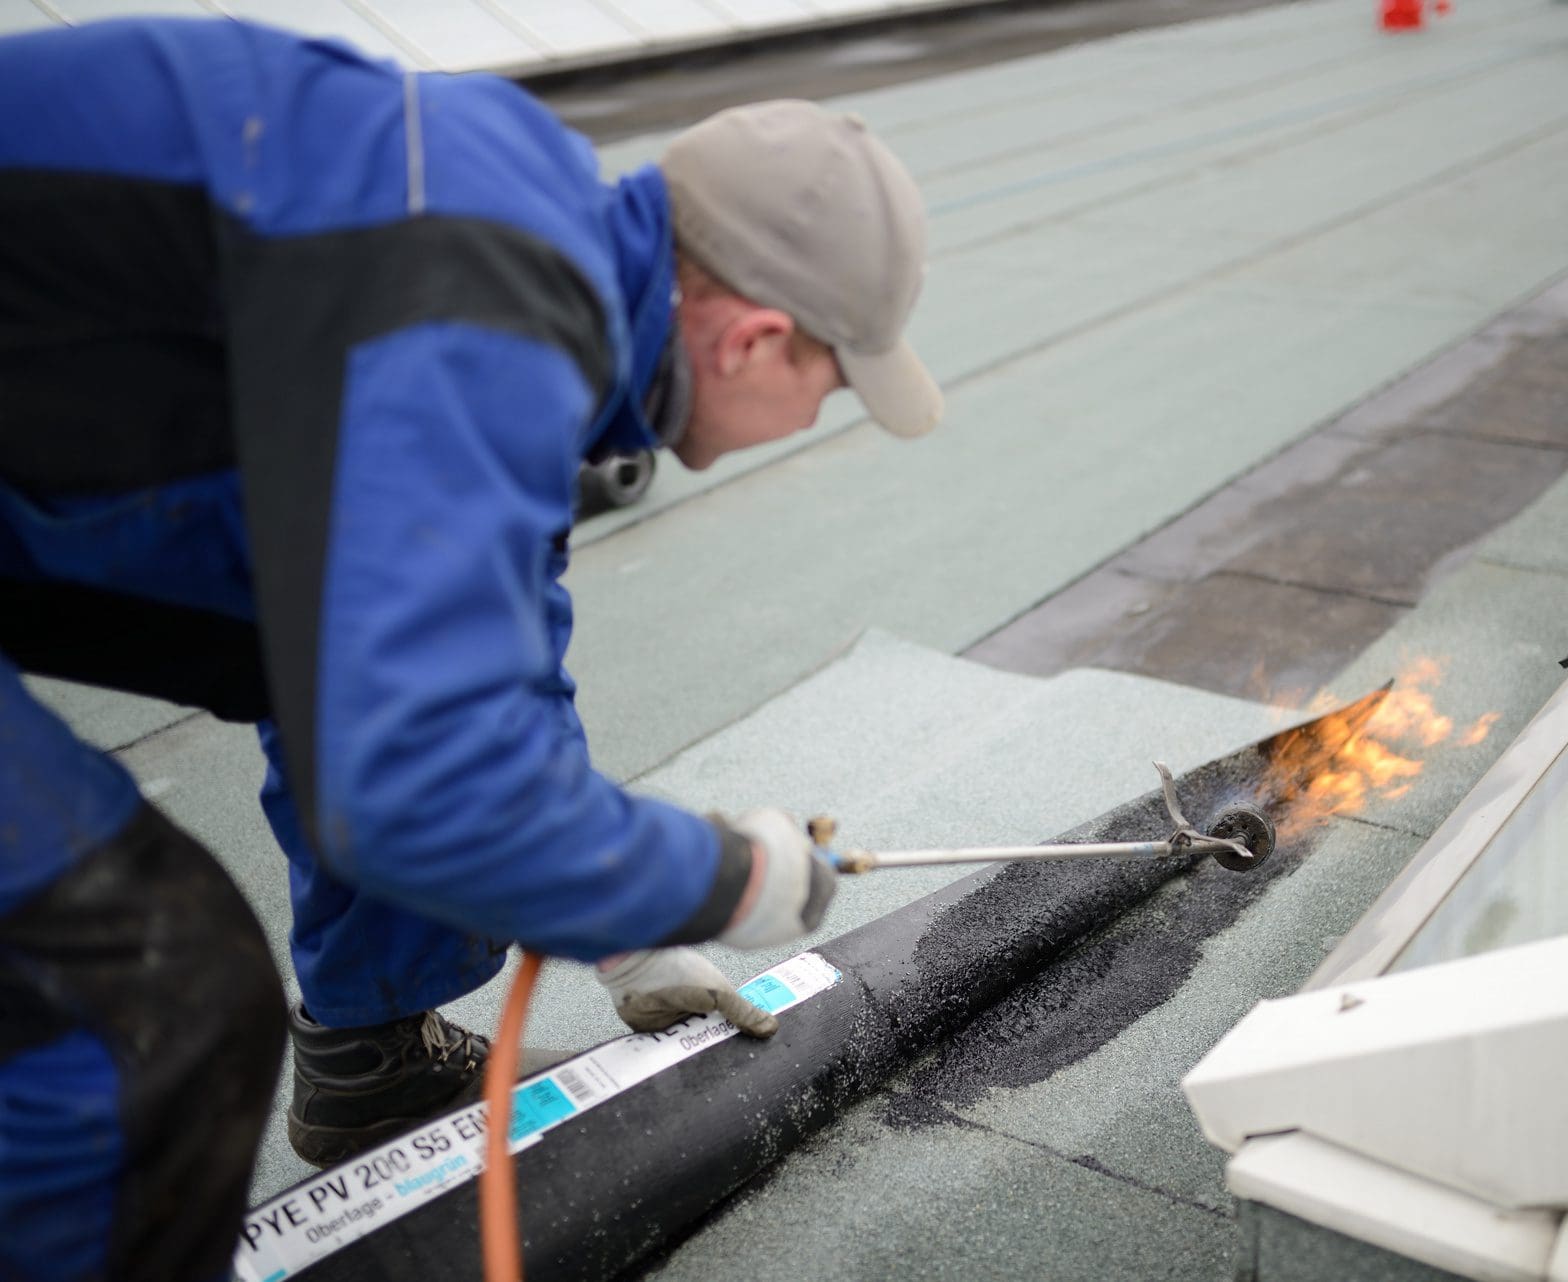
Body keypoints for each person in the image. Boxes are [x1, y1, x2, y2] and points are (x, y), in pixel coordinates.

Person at [0, 15, 941, 1281]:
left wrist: (614, 921)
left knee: (342, 666)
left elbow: (475, 673)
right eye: (832, 384)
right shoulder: (485, 286)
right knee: (139, 1001)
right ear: (756, 339)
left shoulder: (518, 262)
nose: (813, 413)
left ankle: (371, 1060)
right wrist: (717, 882)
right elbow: (427, 782)